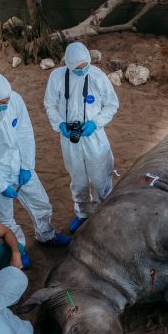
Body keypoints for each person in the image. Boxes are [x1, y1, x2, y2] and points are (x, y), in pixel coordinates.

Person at [0, 73, 70, 251]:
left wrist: (26, 166)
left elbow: (25, 133)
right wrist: (0, 185)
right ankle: (17, 249)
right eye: (0, 103)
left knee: (40, 202)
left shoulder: (15, 100)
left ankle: (46, 235)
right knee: (5, 216)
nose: (5, 104)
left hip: (19, 164)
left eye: (7, 100)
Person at [43, 42, 119, 233]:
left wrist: (95, 123)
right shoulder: (57, 77)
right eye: (77, 68)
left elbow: (112, 105)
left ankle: (103, 214)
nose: (82, 70)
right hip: (69, 138)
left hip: (94, 136)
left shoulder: (97, 76)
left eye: (85, 66)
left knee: (101, 178)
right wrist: (61, 124)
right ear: (67, 64)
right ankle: (82, 214)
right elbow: (50, 105)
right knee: (78, 180)